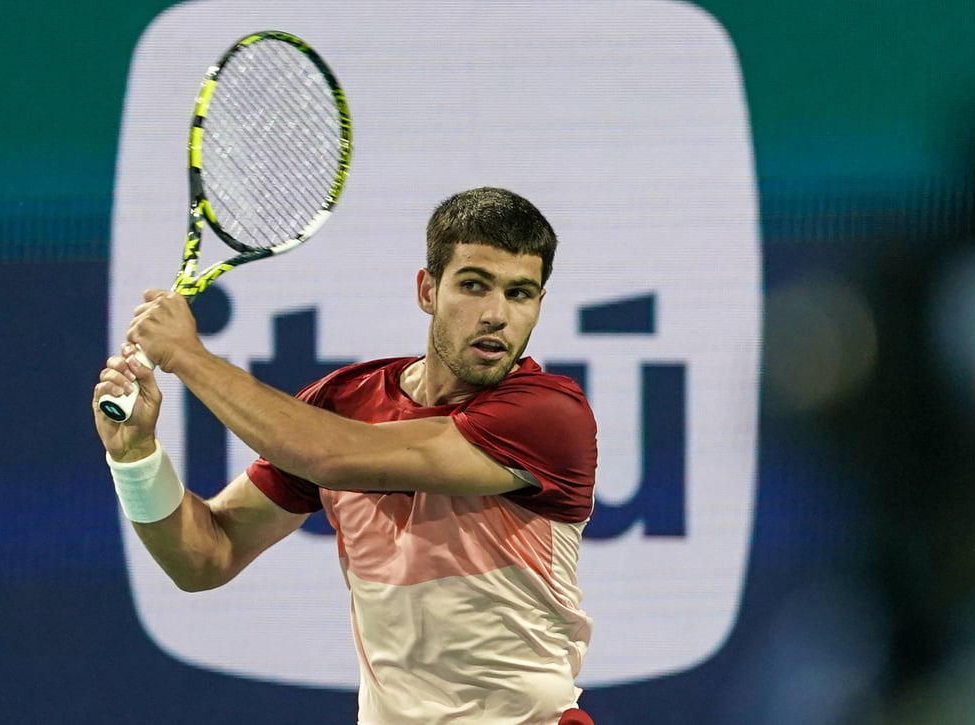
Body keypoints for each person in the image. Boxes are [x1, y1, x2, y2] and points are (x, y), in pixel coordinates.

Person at [93, 187, 599, 725]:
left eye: (520, 294)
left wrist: (187, 355)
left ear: (539, 305)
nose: (496, 314)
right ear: (428, 290)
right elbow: (206, 557)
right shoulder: (348, 400)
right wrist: (137, 458)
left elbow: (327, 456)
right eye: (474, 286)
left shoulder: (547, 416)